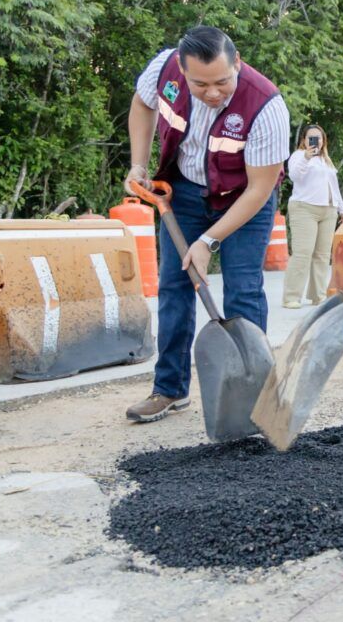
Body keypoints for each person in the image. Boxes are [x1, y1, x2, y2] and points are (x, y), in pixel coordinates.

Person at [124, 25, 289, 423]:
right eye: (200, 84)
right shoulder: (164, 70)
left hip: (244, 200)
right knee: (174, 287)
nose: (213, 93)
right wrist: (138, 164)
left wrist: (208, 241)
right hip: (183, 192)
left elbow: (259, 189)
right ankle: (169, 389)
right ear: (182, 70)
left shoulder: (266, 105)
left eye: (222, 82)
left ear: (237, 63)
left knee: (243, 291)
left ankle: (254, 398)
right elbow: (142, 105)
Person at [282, 124, 343, 308]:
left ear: (323, 140)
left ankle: (318, 296)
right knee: (303, 253)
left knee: (322, 255)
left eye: (318, 137)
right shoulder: (298, 156)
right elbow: (294, 176)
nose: (315, 141)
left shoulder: (326, 160)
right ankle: (291, 297)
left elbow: (334, 187)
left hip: (328, 210)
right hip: (305, 208)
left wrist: (342, 209)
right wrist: (306, 157)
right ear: (304, 140)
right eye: (311, 137)